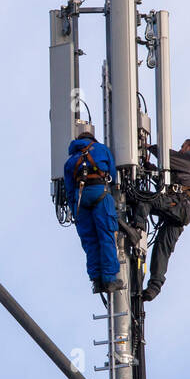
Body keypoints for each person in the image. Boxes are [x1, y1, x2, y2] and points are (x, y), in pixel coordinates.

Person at [134, 138, 190, 301]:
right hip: (179, 211)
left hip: (176, 206)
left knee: (143, 199)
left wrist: (150, 148)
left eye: (182, 147)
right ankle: (154, 287)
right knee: (162, 247)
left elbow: (168, 157)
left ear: (189, 147)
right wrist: (149, 167)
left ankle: (136, 231)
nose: (180, 150)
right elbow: (166, 182)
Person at [63, 122, 123, 294]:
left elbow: (68, 189)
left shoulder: (70, 161)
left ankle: (96, 281)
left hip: (80, 200)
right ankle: (110, 279)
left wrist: (74, 209)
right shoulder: (101, 149)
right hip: (99, 193)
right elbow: (112, 172)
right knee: (106, 236)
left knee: (90, 242)